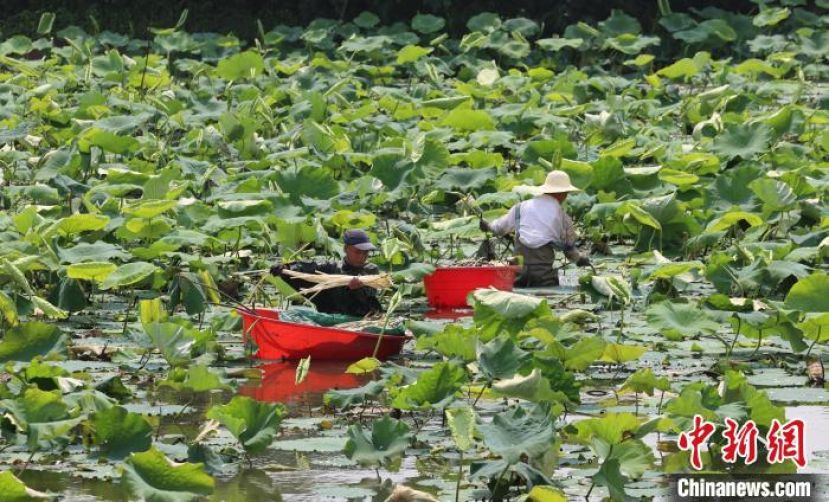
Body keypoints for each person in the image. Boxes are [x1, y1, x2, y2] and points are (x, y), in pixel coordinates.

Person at [480, 170, 591, 287]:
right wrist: (579, 259)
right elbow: (569, 249)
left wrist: (487, 225)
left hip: (518, 275)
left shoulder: (520, 207)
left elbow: (497, 228)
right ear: (563, 193)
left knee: (516, 283)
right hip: (543, 277)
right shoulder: (562, 216)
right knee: (559, 284)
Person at [270, 229, 382, 317]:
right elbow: (308, 267)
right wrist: (286, 268)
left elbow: (371, 292)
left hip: (362, 317)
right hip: (334, 315)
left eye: (366, 252)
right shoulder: (332, 267)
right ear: (345, 249)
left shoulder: (371, 270)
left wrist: (357, 289)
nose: (362, 256)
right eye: (358, 252)